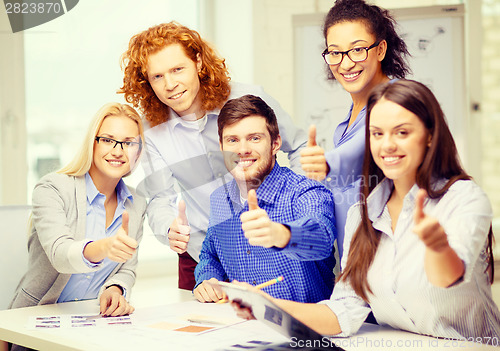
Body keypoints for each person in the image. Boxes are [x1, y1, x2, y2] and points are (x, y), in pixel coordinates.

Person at [232, 80, 500, 339]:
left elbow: (449, 278)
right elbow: (343, 311)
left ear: (430, 135)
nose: (388, 145)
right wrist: (264, 305)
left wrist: (437, 247)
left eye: (402, 132)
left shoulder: (464, 198)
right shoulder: (362, 214)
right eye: (377, 133)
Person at [120, 21, 307, 290]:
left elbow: (299, 147)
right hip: (202, 256)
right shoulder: (151, 131)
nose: (170, 84)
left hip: (269, 245)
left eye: (177, 69)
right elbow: (161, 198)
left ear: (198, 62)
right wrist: (168, 229)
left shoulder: (250, 98)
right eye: (157, 77)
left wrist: (294, 214)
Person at [193, 95, 336, 304]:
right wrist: (207, 279)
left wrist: (281, 234)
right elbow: (210, 255)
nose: (242, 150)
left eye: (254, 138)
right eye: (232, 140)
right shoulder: (219, 200)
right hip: (242, 327)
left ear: (276, 143)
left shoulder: (306, 191)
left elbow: (321, 238)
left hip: (303, 331)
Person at [9, 103, 146, 319]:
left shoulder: (136, 203)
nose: (118, 151)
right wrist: (104, 247)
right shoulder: (52, 188)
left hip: (93, 324)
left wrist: (115, 289)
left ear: (138, 151)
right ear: (92, 143)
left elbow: (127, 269)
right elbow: (60, 254)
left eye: (129, 143)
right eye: (108, 140)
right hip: (35, 323)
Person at [300, 0, 410, 263]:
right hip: (356, 266)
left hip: (391, 263)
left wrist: (327, 163)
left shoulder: (397, 99)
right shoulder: (345, 123)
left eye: (358, 50)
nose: (345, 64)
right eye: (335, 52)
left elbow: (364, 148)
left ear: (380, 49)